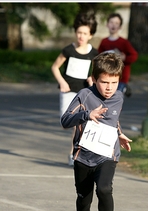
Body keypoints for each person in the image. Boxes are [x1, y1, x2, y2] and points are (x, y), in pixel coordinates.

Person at [60, 52, 132, 211]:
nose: (109, 87)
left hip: (107, 155)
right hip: (83, 156)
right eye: (104, 82)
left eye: (114, 82)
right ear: (94, 79)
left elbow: (112, 121)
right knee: (84, 198)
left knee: (104, 188)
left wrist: (119, 134)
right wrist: (86, 115)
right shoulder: (85, 95)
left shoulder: (118, 97)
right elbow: (65, 121)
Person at [51, 12, 99, 166]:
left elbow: (97, 72)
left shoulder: (93, 53)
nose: (81, 36)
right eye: (79, 32)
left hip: (84, 92)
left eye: (85, 33)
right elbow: (55, 67)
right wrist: (62, 82)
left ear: (90, 35)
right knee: (66, 122)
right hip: (67, 90)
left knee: (79, 123)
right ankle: (74, 152)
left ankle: (73, 153)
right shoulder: (68, 50)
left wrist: (92, 78)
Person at [98, 13, 138, 98]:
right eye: (111, 22)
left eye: (116, 23)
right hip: (106, 77)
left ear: (120, 27)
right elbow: (98, 57)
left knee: (116, 102)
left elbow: (134, 55)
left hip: (120, 78)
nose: (114, 25)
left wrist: (124, 58)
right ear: (107, 25)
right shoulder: (104, 42)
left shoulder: (124, 42)